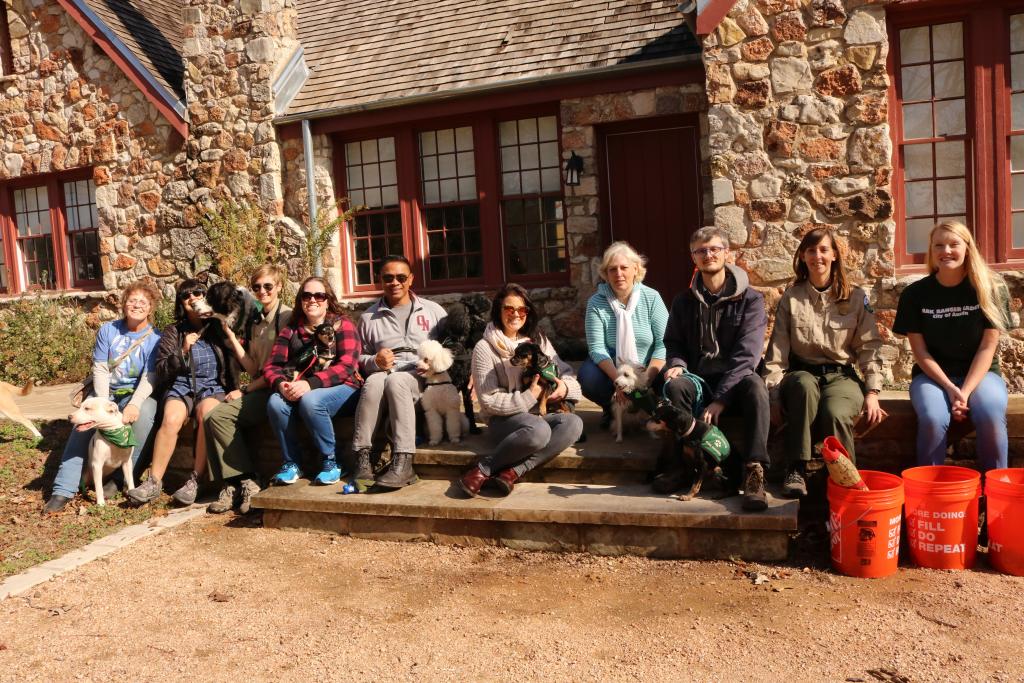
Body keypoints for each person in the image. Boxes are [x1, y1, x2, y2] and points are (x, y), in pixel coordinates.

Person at [763, 227, 887, 498]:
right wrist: (772, 393)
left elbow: (868, 347)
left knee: (835, 412)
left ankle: (845, 479)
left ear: (834, 255)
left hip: (840, 376)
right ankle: (796, 469)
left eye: (823, 250)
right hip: (801, 373)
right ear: (803, 256)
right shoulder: (791, 298)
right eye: (811, 250)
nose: (817, 256)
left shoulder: (854, 297)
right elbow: (777, 352)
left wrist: (873, 392)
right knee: (804, 388)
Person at [661, 227, 770, 511]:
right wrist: (677, 365)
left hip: (735, 381)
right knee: (674, 386)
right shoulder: (683, 302)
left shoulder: (752, 300)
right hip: (699, 378)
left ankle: (754, 472)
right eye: (701, 251)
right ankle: (682, 466)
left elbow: (748, 355)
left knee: (757, 386)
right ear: (693, 258)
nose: (708, 255)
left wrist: (722, 398)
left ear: (727, 253)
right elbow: (673, 343)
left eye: (714, 249)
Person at [893, 220, 1010, 471]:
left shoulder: (990, 289)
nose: (946, 251)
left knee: (990, 414)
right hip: (932, 377)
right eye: (939, 245)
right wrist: (948, 387)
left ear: (967, 248)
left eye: (954, 244)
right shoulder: (914, 295)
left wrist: (964, 392)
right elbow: (920, 352)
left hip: (982, 375)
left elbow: (987, 348)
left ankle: (996, 491)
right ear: (931, 251)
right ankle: (929, 495)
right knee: (934, 418)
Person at [43, 281, 162, 513]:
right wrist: (102, 403)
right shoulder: (108, 330)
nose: (136, 305)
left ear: (150, 308)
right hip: (104, 392)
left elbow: (150, 377)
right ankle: (63, 488)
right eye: (131, 300)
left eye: (143, 302)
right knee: (83, 427)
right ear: (123, 304)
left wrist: (135, 405)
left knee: (147, 414)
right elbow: (100, 368)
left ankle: (120, 480)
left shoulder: (155, 338)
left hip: (134, 395)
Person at [459, 283, 584, 497]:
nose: (516, 314)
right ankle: (483, 469)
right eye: (509, 309)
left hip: (537, 416)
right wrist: (529, 396)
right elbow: (488, 401)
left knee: (574, 423)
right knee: (539, 431)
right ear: (498, 311)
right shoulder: (484, 348)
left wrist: (563, 388)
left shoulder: (538, 341)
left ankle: (512, 472)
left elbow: (567, 373)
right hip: (504, 421)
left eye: (522, 309)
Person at [126, 279, 240, 506]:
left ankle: (196, 481)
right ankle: (153, 481)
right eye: (186, 296)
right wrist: (183, 349)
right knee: (171, 418)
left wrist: (236, 388)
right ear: (181, 303)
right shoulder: (174, 331)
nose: (193, 298)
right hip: (181, 386)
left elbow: (234, 359)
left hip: (213, 387)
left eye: (198, 293)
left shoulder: (219, 326)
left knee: (207, 415)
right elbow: (161, 368)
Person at [349, 256, 446, 491]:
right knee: (373, 382)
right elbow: (357, 358)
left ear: (411, 279)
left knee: (397, 380)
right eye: (388, 277)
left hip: (423, 378)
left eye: (401, 277)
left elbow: (451, 348)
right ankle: (363, 457)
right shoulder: (368, 318)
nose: (395, 282)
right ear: (380, 280)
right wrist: (374, 360)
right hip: (387, 372)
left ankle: (404, 460)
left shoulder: (434, 311)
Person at [204, 265, 292, 513]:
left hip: (278, 390)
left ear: (279, 287)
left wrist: (245, 390)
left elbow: (280, 369)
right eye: (257, 287)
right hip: (261, 386)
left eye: (268, 286)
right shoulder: (257, 321)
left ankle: (248, 480)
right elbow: (254, 367)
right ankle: (234, 484)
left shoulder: (286, 318)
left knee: (219, 416)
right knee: (211, 416)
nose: (262, 291)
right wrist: (232, 339)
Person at [264, 277, 362, 486]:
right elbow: (272, 366)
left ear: (328, 300)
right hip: (300, 387)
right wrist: (282, 384)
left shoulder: (341, 325)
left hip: (345, 389)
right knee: (275, 402)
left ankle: (332, 462)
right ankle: (292, 463)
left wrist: (310, 384)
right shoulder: (291, 330)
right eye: (307, 296)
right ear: (301, 301)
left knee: (312, 401)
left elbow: (347, 366)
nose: (313, 300)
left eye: (319, 295)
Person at [579, 241, 668, 429]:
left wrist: (644, 382)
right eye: (612, 269)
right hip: (614, 368)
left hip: (646, 367)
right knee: (588, 377)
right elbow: (597, 349)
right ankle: (612, 408)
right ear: (605, 273)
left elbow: (663, 344)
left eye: (624, 268)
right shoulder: (596, 303)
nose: (618, 274)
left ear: (636, 269)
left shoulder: (652, 297)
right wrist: (620, 384)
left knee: (671, 376)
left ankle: (651, 408)